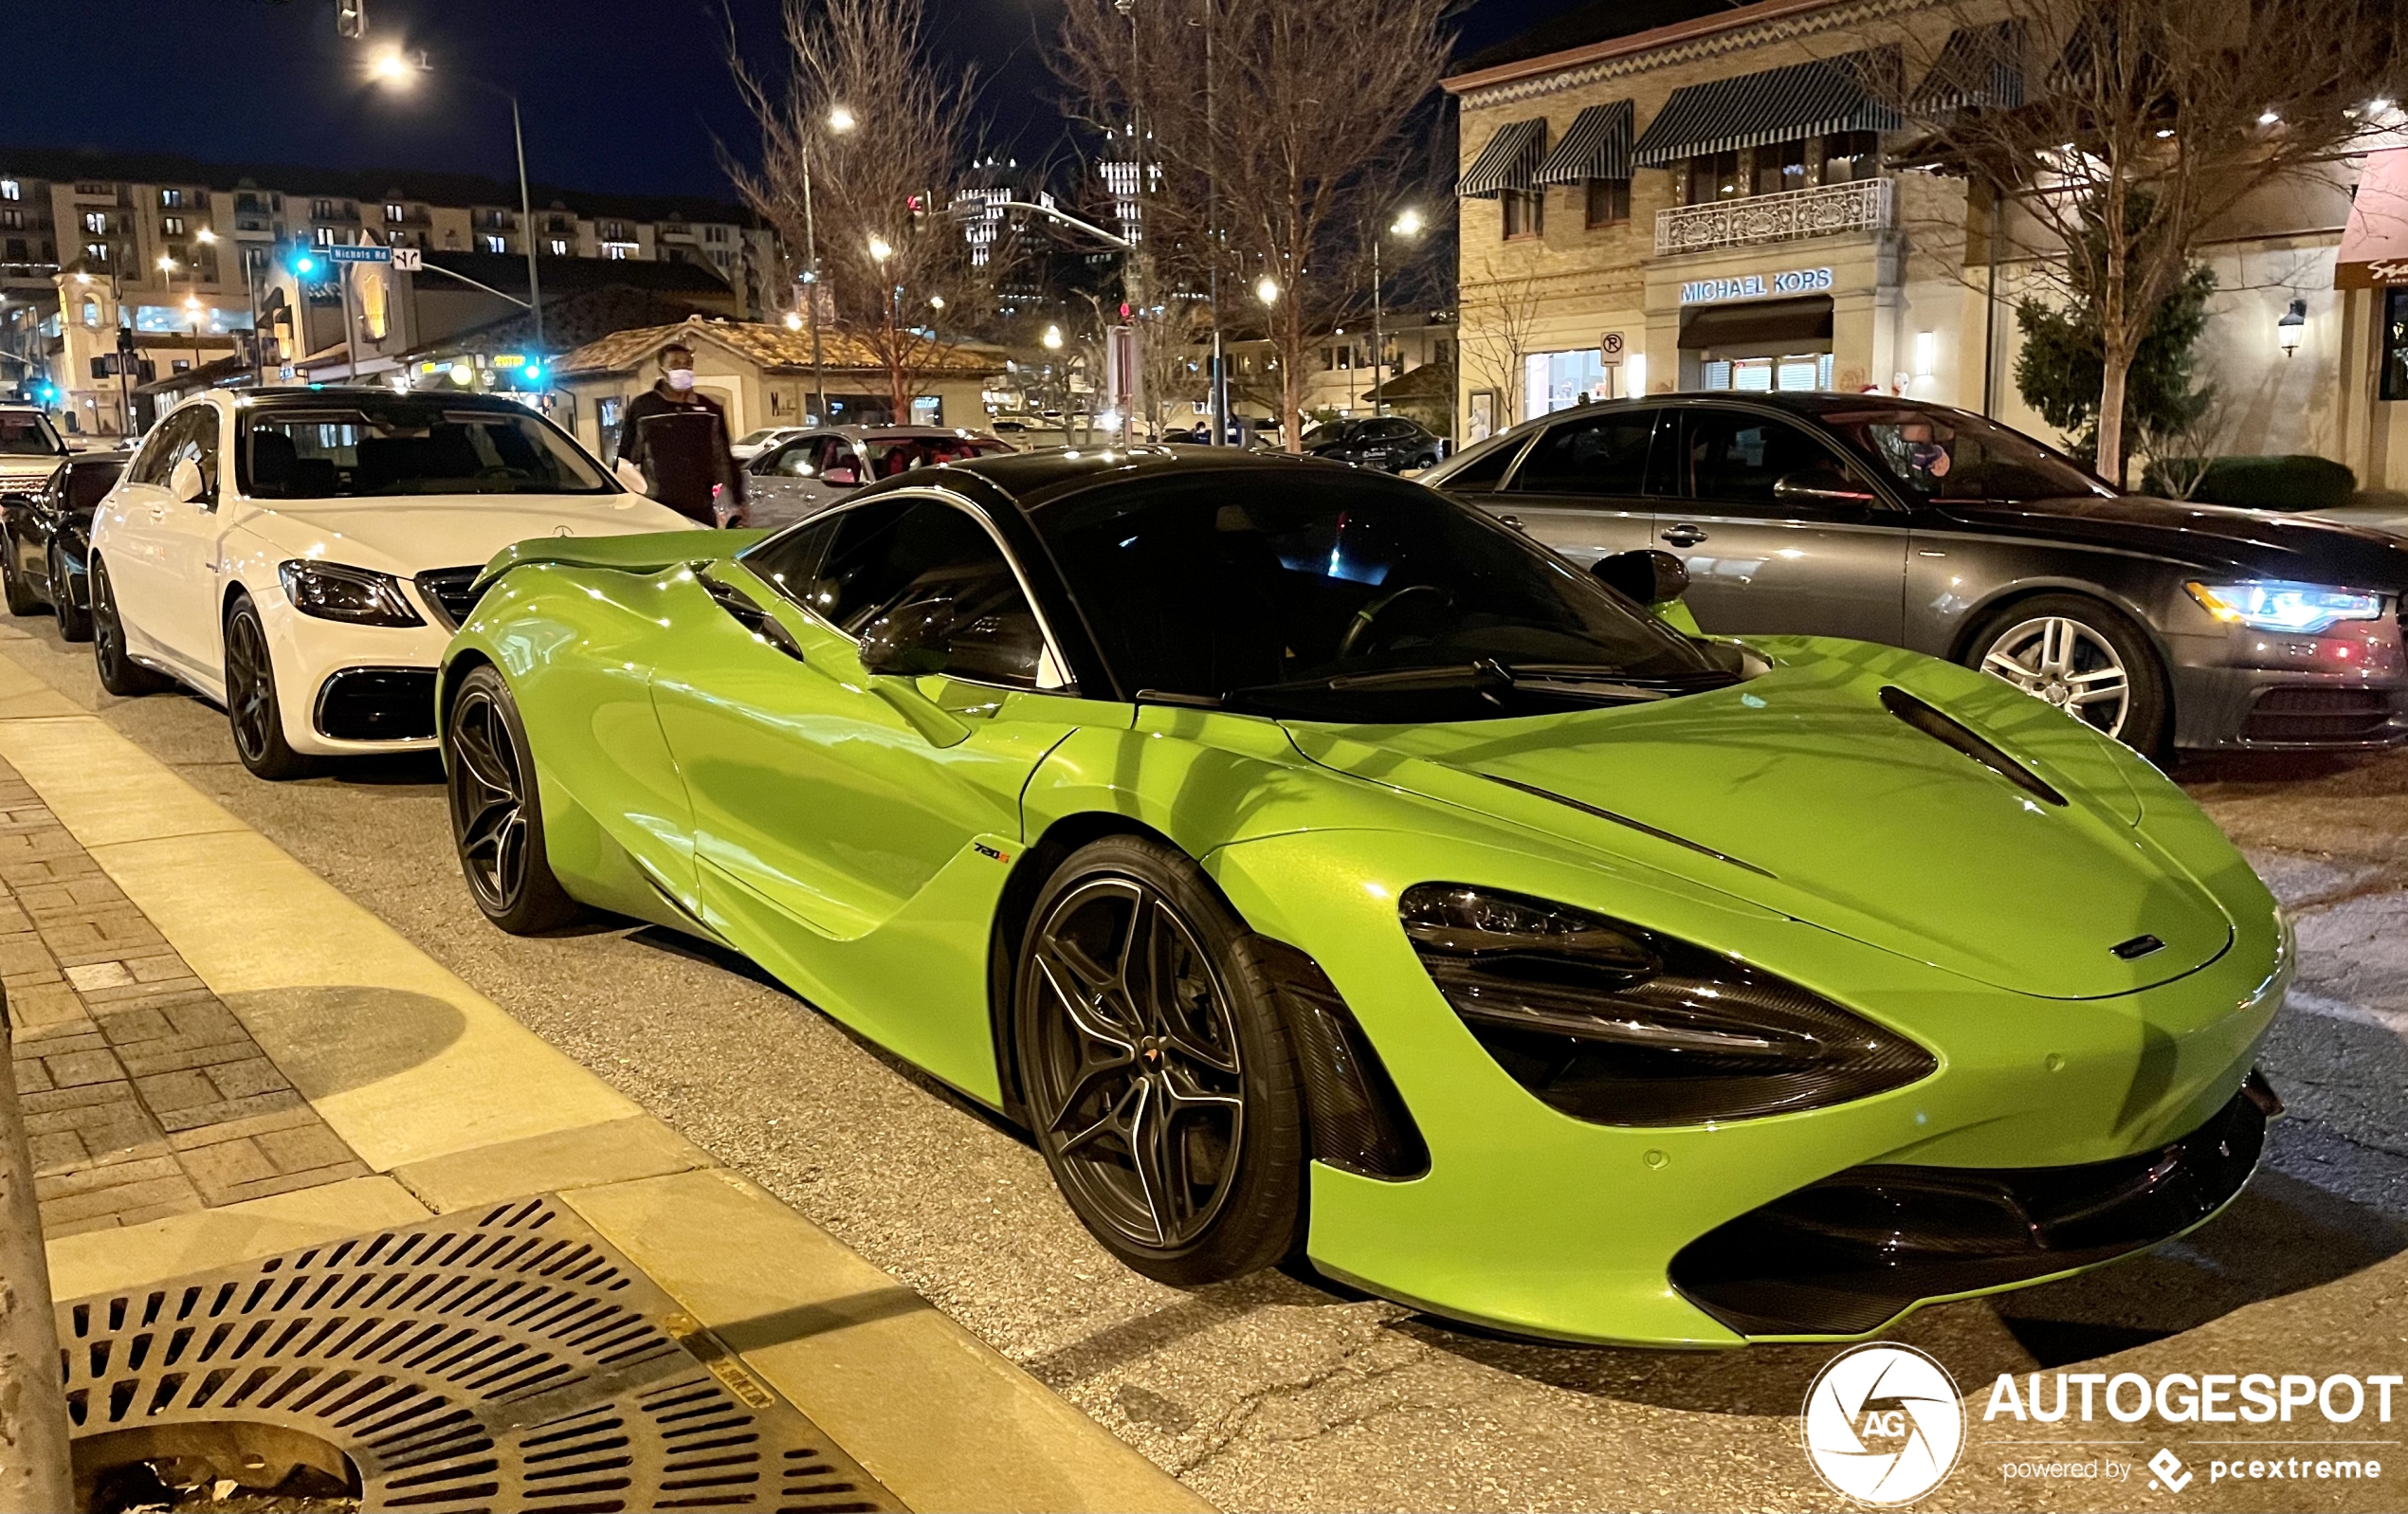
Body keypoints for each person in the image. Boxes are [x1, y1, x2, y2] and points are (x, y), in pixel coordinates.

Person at [613, 341, 749, 526]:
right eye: (675, 364)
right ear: (662, 369)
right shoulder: (643, 408)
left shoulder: (710, 410)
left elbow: (724, 457)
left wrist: (738, 501)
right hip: (657, 506)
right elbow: (625, 459)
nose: (683, 368)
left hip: (701, 506)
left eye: (687, 364)